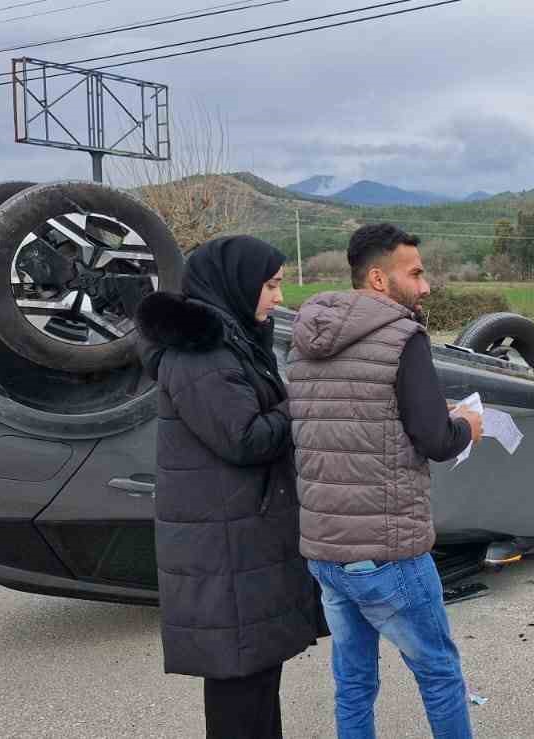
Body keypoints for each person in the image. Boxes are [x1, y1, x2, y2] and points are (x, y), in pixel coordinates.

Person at [288, 224, 483, 739]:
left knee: (352, 681)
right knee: (439, 673)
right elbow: (436, 442)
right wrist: (468, 426)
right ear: (379, 278)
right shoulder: (403, 337)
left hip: (327, 553)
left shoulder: (304, 340)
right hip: (389, 553)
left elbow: (350, 418)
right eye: (415, 273)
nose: (425, 286)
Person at [136, 236, 324, 739]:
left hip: (240, 535)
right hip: (224, 545)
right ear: (236, 284)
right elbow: (244, 438)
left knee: (256, 679)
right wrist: (301, 402)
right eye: (271, 285)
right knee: (240, 687)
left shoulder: (232, 340)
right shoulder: (201, 353)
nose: (279, 298)